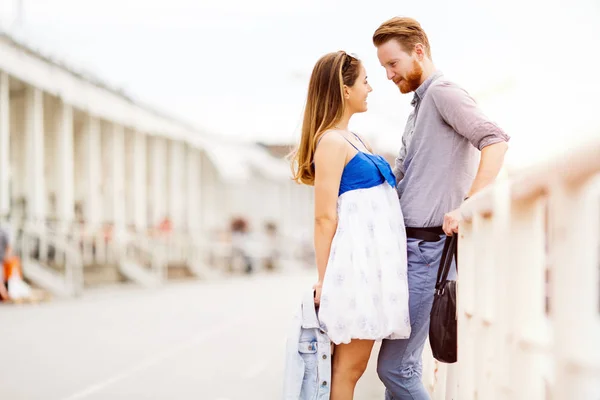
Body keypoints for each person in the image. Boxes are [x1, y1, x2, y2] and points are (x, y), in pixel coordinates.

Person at [372, 17, 510, 399]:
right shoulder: (418, 106)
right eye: (383, 67)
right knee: (406, 368)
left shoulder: (444, 92)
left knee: (395, 368)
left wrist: (469, 204)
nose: (387, 74)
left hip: (430, 251)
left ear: (418, 51)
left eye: (392, 64)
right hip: (412, 251)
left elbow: (495, 140)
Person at [290, 51, 411, 399]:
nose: (370, 88)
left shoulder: (356, 139)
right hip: (354, 271)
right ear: (345, 89)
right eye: (364, 81)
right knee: (348, 369)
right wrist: (326, 281)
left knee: (350, 368)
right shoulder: (330, 142)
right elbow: (325, 216)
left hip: (373, 270)